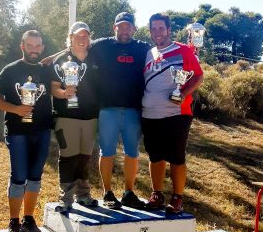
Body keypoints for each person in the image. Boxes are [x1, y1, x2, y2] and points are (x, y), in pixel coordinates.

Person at [0, 30, 52, 232]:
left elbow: (62, 69)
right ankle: (13, 221)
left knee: (35, 177)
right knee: (18, 178)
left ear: (42, 48)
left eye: (38, 46)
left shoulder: (46, 69)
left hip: (42, 130)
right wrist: (15, 109)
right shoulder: (11, 69)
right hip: (17, 132)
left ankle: (28, 219)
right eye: (30, 45)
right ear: (22, 46)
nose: (34, 50)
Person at [142, 13, 204, 214]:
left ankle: (177, 198)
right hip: (150, 114)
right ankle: (157, 194)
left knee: (176, 156)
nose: (157, 32)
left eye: (161, 28)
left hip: (177, 112)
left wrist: (183, 93)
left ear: (169, 30)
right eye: (153, 29)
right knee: (155, 156)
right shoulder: (149, 53)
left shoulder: (183, 50)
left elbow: (198, 76)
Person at [90, 12, 150, 209]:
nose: (124, 30)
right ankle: (107, 192)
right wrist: (51, 59)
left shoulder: (143, 48)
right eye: (120, 26)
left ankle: (128, 193)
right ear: (114, 27)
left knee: (132, 153)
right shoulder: (102, 45)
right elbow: (78, 45)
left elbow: (163, 55)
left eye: (128, 26)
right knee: (107, 152)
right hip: (108, 109)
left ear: (134, 28)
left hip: (133, 110)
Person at [50, 22, 99, 212]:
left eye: (85, 36)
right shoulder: (61, 59)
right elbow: (54, 88)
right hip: (66, 116)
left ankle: (84, 195)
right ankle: (66, 198)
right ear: (70, 37)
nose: (82, 39)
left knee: (85, 157)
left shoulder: (95, 59)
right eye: (78, 36)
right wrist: (64, 93)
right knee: (68, 157)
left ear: (89, 38)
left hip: (90, 117)